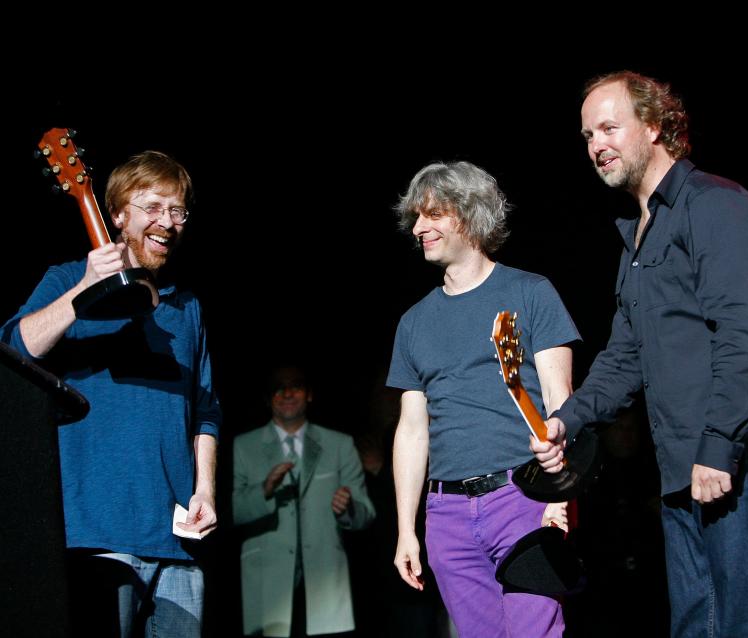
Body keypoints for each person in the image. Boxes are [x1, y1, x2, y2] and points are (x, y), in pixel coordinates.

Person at [532, 71, 748, 636]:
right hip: (679, 470)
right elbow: (624, 357)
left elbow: (744, 335)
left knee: (747, 625)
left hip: (729, 465)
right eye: (586, 136)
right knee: (696, 626)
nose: (596, 145)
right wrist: (564, 422)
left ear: (654, 125)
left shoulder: (714, 204)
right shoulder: (638, 236)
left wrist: (720, 445)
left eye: (608, 127)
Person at [1, 150, 221, 637]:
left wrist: (204, 488)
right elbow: (16, 347)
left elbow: (205, 412)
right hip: (97, 536)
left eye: (178, 210)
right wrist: (84, 290)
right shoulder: (66, 279)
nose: (167, 221)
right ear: (117, 214)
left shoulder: (188, 307)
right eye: (153, 207)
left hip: (176, 541)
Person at [388, 161, 579, 638]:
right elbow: (412, 431)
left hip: (524, 497)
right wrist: (406, 530)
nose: (419, 228)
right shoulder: (413, 322)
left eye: (433, 214)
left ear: (470, 216)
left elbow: (562, 400)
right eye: (416, 217)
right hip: (447, 516)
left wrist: (561, 498)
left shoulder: (531, 292)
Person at [232, 364, 375, 637]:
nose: (287, 393)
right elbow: (229, 511)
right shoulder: (244, 446)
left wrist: (349, 509)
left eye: (295, 386)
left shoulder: (339, 444)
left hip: (323, 581)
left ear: (309, 394)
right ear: (267, 398)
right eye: (278, 388)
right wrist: (264, 490)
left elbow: (366, 512)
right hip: (268, 582)